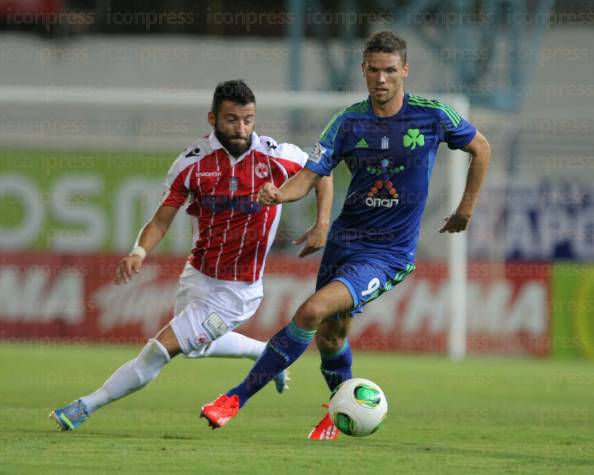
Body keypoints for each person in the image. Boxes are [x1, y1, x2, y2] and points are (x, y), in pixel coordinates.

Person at [200, 31, 492, 439]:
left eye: (390, 70)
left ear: (404, 70)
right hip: (344, 243)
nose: (381, 79)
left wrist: (465, 209)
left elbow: (481, 148)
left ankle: (234, 399)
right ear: (363, 70)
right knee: (330, 335)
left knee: (311, 312)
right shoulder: (348, 122)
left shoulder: (432, 115)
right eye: (373, 70)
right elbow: (310, 177)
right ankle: (342, 407)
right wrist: (279, 194)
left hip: (388, 254)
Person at [50, 79, 333, 431]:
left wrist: (322, 225)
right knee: (196, 347)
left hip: (237, 292)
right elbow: (160, 220)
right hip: (197, 275)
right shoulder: (192, 164)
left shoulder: (277, 156)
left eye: (248, 120)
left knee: (159, 350)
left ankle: (84, 407)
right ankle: (266, 353)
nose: (242, 128)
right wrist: (139, 251)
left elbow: (322, 173)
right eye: (232, 119)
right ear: (212, 118)